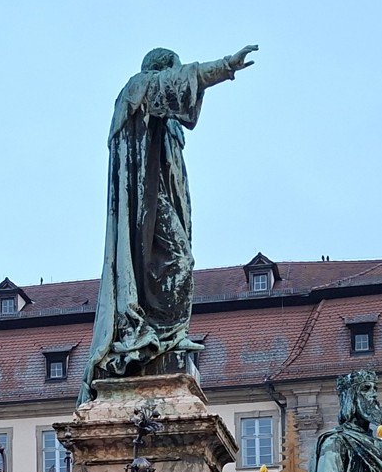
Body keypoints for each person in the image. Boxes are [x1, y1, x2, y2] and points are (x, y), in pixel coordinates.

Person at [81, 44, 258, 398]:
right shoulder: (139, 88)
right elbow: (180, 82)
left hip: (159, 196)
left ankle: (169, 335)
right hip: (146, 201)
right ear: (162, 71)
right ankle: (159, 333)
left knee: (176, 262)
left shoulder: (163, 117)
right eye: (174, 71)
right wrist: (225, 66)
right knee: (178, 260)